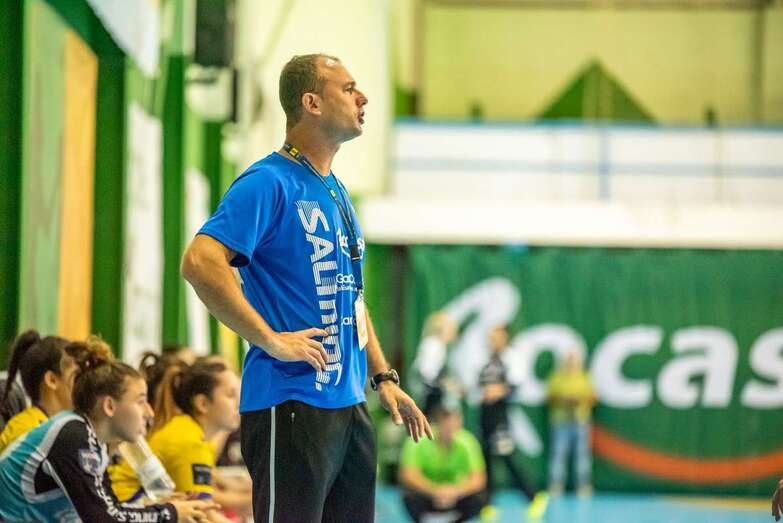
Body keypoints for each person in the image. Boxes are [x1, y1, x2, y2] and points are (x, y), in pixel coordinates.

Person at [180, 53, 431, 522]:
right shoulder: (267, 182)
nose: (364, 97)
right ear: (312, 102)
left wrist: (383, 377)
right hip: (290, 402)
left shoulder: (336, 190)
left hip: (350, 405)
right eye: (349, 88)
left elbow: (352, 297)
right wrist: (269, 339)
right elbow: (200, 261)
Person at [0, 336, 216, 522]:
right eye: (140, 401)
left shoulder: (94, 444)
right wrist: (168, 513)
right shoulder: (73, 435)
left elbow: (110, 508)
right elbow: (103, 519)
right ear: (110, 406)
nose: (149, 412)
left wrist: (158, 506)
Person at [111, 358, 251, 520]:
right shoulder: (189, 441)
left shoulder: (190, 432)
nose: (240, 402)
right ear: (203, 403)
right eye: (231, 395)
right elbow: (203, 514)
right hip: (124, 512)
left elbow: (210, 495)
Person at [478, 325, 548, 520]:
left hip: (500, 415)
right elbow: (480, 384)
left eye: (496, 337)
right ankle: (486, 504)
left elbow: (515, 384)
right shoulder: (487, 359)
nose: (492, 341)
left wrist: (497, 391)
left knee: (506, 457)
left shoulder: (511, 358)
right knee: (485, 459)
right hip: (485, 414)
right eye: (490, 337)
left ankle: (534, 496)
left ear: (505, 338)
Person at [398, 400, 486, 523]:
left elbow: (478, 479)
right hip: (428, 496)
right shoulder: (418, 438)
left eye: (455, 422)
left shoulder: (468, 441)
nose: (450, 427)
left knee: (480, 497)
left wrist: (455, 491)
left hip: (455, 498)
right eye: (446, 422)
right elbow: (408, 475)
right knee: (409, 494)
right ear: (437, 423)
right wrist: (435, 491)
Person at [0, 330, 79, 453]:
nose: (84, 384)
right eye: (77, 377)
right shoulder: (27, 430)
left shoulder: (62, 427)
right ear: (52, 380)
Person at [546, 350, 596, 496]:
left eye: (574, 360)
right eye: (569, 360)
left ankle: (583, 485)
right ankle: (556, 485)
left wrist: (579, 400)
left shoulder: (584, 377)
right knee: (558, 453)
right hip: (560, 421)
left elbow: (593, 397)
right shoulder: (557, 378)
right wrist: (564, 400)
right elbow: (550, 397)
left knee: (582, 455)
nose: (571, 363)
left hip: (580, 421)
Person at [411, 310, 460, 417]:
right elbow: (427, 374)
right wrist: (446, 384)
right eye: (450, 328)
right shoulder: (434, 345)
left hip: (430, 396)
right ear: (441, 329)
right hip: (428, 399)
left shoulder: (436, 345)